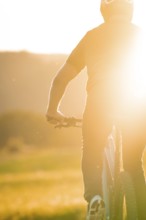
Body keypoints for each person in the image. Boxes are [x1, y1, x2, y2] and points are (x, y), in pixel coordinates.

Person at [46, 0, 146, 219]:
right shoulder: (141, 35)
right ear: (130, 11)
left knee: (92, 151)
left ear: (104, 12)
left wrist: (53, 110)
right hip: (136, 102)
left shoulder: (92, 37)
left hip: (100, 102)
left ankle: (95, 200)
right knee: (133, 164)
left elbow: (61, 79)